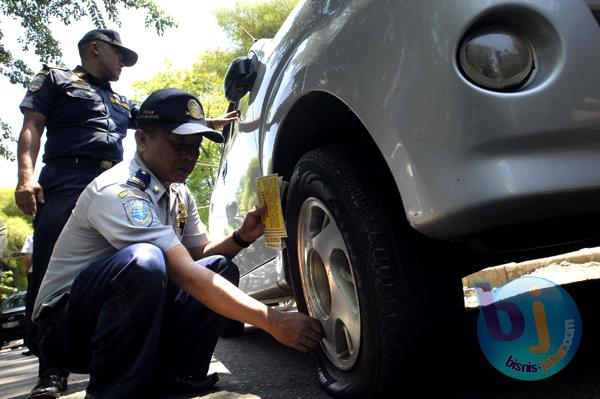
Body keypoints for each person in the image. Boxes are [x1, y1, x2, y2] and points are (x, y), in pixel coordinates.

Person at [32, 88, 323, 399]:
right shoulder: (118, 190)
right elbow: (184, 273)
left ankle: (177, 377)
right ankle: (113, 391)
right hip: (65, 330)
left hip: (124, 317)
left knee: (219, 268)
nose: (189, 157)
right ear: (142, 139)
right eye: (178, 144)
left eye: (195, 148)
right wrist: (273, 320)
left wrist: (242, 236)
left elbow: (200, 257)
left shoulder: (178, 193)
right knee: (144, 261)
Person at [13, 28, 139, 398]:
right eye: (119, 55)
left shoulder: (121, 100)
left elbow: (157, 122)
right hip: (66, 181)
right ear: (95, 49)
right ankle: (52, 371)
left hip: (112, 186)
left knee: (123, 266)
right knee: (54, 270)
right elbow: (32, 126)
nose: (122, 64)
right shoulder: (56, 79)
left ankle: (115, 362)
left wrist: (207, 124)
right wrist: (25, 178)